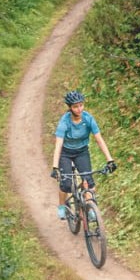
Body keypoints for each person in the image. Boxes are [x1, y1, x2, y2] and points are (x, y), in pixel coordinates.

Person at [48, 90, 116, 220]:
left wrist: (110, 159)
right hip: (65, 153)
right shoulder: (65, 122)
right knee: (66, 184)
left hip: (82, 152)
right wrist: (55, 167)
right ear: (70, 108)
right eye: (75, 106)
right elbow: (58, 145)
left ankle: (90, 208)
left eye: (81, 105)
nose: (79, 109)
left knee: (89, 182)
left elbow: (99, 139)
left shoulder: (88, 119)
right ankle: (62, 206)